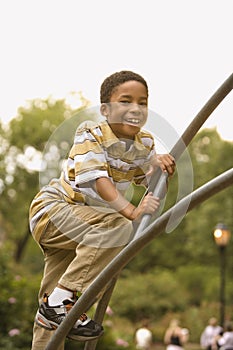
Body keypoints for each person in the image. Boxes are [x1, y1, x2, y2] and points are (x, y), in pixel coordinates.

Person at [29, 70, 176, 350]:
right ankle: (65, 298)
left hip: (84, 231)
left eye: (142, 103)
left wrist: (161, 170)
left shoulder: (144, 144)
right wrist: (131, 212)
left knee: (50, 312)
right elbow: (98, 181)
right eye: (125, 101)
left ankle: (57, 305)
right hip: (53, 212)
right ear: (106, 110)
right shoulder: (91, 132)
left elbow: (152, 188)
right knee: (119, 225)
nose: (135, 109)